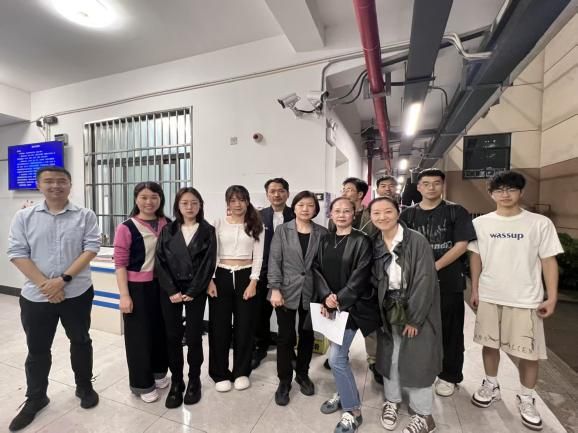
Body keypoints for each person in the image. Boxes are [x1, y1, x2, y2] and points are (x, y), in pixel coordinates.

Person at [7, 166, 101, 432]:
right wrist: (45, 285)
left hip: (77, 292)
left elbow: (91, 248)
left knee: (80, 341)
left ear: (70, 185)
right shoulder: (24, 217)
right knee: (37, 349)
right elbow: (17, 252)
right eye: (49, 181)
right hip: (36, 297)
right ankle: (36, 397)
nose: (55, 186)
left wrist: (62, 281)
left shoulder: (85, 215)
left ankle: (84, 386)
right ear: (39, 186)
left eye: (62, 181)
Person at [468, 171, 563, 431]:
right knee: (489, 345)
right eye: (499, 190)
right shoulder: (481, 223)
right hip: (490, 294)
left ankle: (527, 398)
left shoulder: (539, 223)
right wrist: (475, 289)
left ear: (521, 192)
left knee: (528, 353)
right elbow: (475, 257)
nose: (505, 194)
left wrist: (552, 296)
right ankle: (491, 384)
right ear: (491, 194)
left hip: (526, 298)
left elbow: (548, 260)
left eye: (511, 189)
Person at [400, 168, 476, 397]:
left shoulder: (456, 211)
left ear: (443, 185)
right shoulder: (408, 215)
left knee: (450, 330)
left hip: (449, 281)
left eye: (436, 183)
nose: (431, 187)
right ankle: (422, 369)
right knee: (418, 327)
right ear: (419, 187)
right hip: (415, 282)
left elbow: (462, 244)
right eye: (426, 183)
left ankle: (449, 375)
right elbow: (401, 245)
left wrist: (435, 266)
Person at [370, 196, 442, 433]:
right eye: (376, 213)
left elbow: (424, 280)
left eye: (388, 211)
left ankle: (424, 415)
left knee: (418, 358)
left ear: (398, 213)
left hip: (414, 306)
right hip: (387, 307)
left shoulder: (416, 241)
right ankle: (392, 401)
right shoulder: (375, 242)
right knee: (390, 355)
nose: (382, 217)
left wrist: (414, 318)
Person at [315, 197, 381, 433]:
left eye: (347, 211)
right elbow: (316, 269)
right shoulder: (325, 239)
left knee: (336, 358)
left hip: (352, 307)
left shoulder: (362, 241)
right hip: (331, 306)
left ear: (354, 214)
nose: (342, 215)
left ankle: (353, 411)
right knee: (337, 354)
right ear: (330, 214)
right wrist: (326, 297)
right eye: (337, 211)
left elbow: (361, 276)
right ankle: (344, 393)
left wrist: (339, 299)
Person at [155, 187, 217, 408]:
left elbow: (209, 263)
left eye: (194, 203)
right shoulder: (168, 230)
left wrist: (193, 290)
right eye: (185, 203)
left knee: (193, 337)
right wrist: (172, 290)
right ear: (177, 206)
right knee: (172, 337)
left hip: (195, 291)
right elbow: (160, 262)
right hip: (170, 290)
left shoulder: (208, 230)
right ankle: (177, 381)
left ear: (200, 206)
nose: (189, 207)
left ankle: (194, 380)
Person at [267, 191, 328, 406]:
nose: (305, 209)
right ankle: (284, 381)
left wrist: (325, 295)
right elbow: (274, 260)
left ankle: (302, 374)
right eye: (301, 204)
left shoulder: (322, 232)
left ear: (315, 209)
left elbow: (324, 265)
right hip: (285, 290)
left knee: (307, 335)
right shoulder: (283, 230)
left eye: (310, 205)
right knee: (285, 337)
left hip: (311, 291)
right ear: (294, 207)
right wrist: (275, 288)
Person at [114, 182, 170, 403]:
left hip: (163, 287)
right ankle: (142, 383)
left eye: (154, 197)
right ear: (136, 199)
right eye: (144, 197)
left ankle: (159, 373)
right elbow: (120, 264)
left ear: (160, 199)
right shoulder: (126, 227)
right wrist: (124, 295)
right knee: (139, 337)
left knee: (160, 332)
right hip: (137, 289)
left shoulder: (167, 223)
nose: (149, 202)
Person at [208, 185, 264, 392]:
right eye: (233, 200)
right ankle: (219, 373)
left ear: (247, 202)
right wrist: (210, 280)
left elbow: (258, 256)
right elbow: (211, 254)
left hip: (246, 277)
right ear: (227, 203)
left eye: (241, 200)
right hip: (221, 276)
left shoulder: (256, 225)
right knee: (218, 326)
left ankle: (241, 372)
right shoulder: (217, 223)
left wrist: (253, 282)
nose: (237, 204)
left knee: (245, 327)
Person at [328, 177, 381, 383]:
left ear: (360, 194)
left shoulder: (371, 216)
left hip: (365, 277)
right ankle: (340, 352)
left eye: (349, 189)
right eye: (343, 189)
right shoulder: (336, 218)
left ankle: (374, 360)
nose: (344, 192)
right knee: (339, 321)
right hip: (341, 279)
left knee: (370, 326)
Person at [252, 178, 294, 369]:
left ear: (288, 193)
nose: (277, 194)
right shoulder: (258, 216)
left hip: (288, 275)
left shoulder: (296, 214)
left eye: (281, 190)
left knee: (287, 317)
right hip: (263, 273)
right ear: (267, 194)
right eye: (272, 191)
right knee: (260, 315)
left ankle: (289, 351)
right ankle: (261, 347)